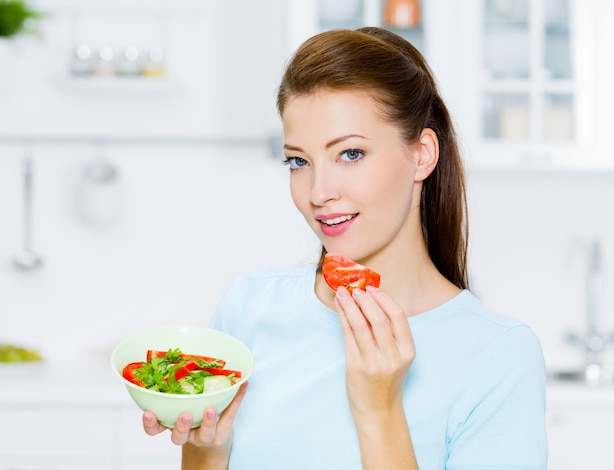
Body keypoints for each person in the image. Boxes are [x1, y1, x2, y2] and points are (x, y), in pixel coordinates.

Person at [142, 27, 547, 469]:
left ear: (422, 154)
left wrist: (379, 409)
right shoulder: (249, 306)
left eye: (350, 154)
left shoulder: (499, 355)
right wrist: (207, 446)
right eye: (299, 161)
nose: (319, 192)